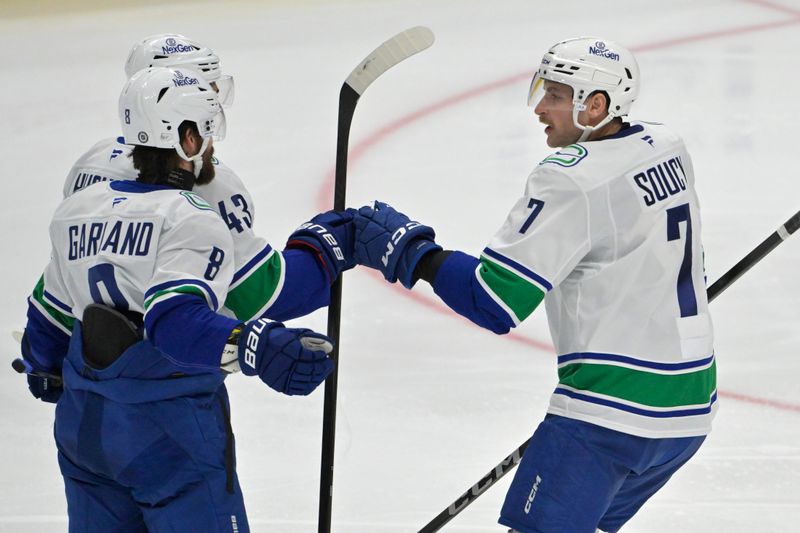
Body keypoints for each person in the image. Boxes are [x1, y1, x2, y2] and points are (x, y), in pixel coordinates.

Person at [348, 37, 716, 532]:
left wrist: (412, 251)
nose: (540, 108)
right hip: (690, 408)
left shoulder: (572, 180)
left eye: (557, 96)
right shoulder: (666, 145)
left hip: (611, 416)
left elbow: (495, 301)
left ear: (597, 104)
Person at [19, 66, 337, 532]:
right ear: (185, 139)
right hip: (167, 435)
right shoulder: (190, 218)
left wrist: (43, 368)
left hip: (84, 430)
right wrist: (257, 345)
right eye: (206, 132)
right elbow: (175, 323)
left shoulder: (77, 210)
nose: (211, 146)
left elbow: (46, 318)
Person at [25, 34, 354, 402]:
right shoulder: (203, 198)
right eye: (207, 100)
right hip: (171, 401)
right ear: (183, 128)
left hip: (90, 399)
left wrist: (45, 365)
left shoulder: (88, 172)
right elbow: (252, 294)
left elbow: (56, 296)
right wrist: (328, 250)